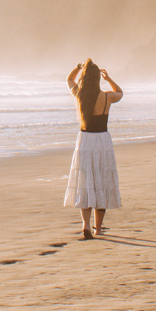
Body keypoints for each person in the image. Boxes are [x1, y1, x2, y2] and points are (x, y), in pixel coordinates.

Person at [63, 59, 123, 239]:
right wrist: (109, 78)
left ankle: (85, 225)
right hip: (102, 141)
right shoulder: (106, 97)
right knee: (102, 182)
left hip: (85, 141)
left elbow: (69, 80)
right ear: (97, 79)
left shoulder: (80, 95)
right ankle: (98, 229)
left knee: (85, 182)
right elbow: (119, 93)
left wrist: (77, 68)